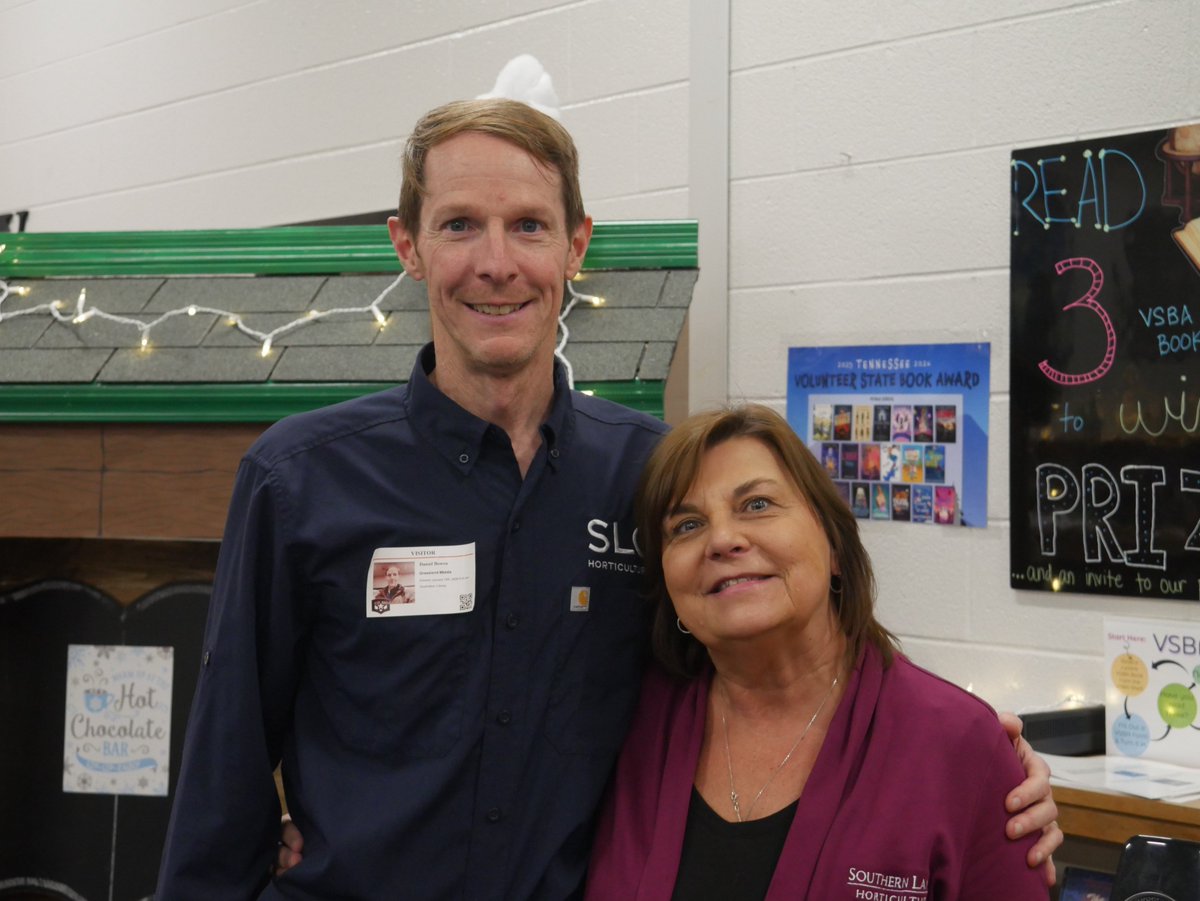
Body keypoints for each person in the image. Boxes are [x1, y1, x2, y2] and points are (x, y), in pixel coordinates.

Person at [161, 98, 1059, 900]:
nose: (496, 262)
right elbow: (224, 771)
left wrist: (975, 761)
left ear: (576, 245)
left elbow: (762, 652)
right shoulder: (301, 479)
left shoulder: (653, 480)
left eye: (529, 226)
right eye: (460, 225)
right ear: (409, 245)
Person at [584, 405, 1050, 899]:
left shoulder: (960, 745)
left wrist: (995, 766)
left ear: (833, 547)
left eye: (757, 505)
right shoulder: (632, 718)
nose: (722, 539)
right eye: (686, 526)